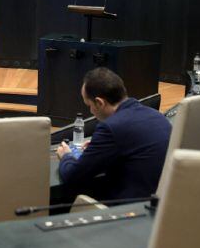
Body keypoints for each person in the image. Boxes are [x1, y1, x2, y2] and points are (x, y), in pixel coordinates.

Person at [55, 68, 171, 201]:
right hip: (160, 204)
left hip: (129, 209)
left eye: (89, 105)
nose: (91, 111)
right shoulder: (157, 115)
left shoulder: (110, 128)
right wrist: (99, 147)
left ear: (99, 103)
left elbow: (72, 176)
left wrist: (66, 156)